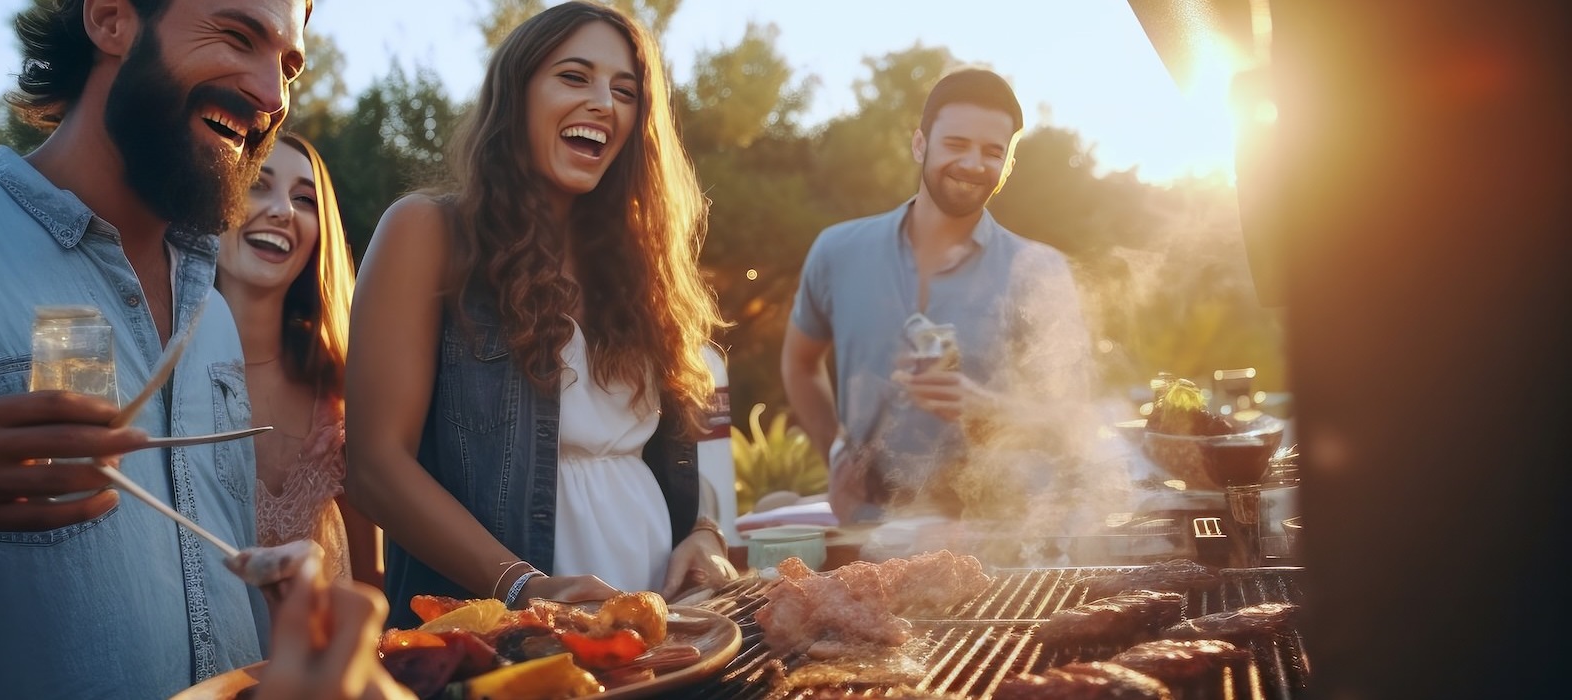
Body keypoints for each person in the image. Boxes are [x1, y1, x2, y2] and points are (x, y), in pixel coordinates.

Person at [0, 0, 316, 696]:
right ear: (110, 20)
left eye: (289, 67)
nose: (272, 95)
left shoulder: (216, 314)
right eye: (236, 35)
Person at [346, 0, 734, 628]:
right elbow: (373, 467)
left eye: (625, 91)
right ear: (517, 95)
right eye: (574, 77)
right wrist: (523, 588)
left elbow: (658, 459)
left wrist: (707, 532)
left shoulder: (642, 269)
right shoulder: (428, 232)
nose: (604, 103)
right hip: (503, 643)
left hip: (662, 637)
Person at [781, 68, 1095, 527]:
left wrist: (987, 409)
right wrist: (836, 452)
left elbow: (1073, 421)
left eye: (993, 152)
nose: (973, 163)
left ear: (1008, 164)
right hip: (868, 532)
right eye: (956, 143)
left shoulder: (1040, 271)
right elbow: (799, 363)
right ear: (920, 144)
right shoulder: (837, 250)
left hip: (999, 538)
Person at [215, 131, 381, 584]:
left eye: (305, 199)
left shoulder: (341, 390)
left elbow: (372, 581)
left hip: (324, 646)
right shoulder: (162, 372)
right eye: (256, 186)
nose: (283, 210)